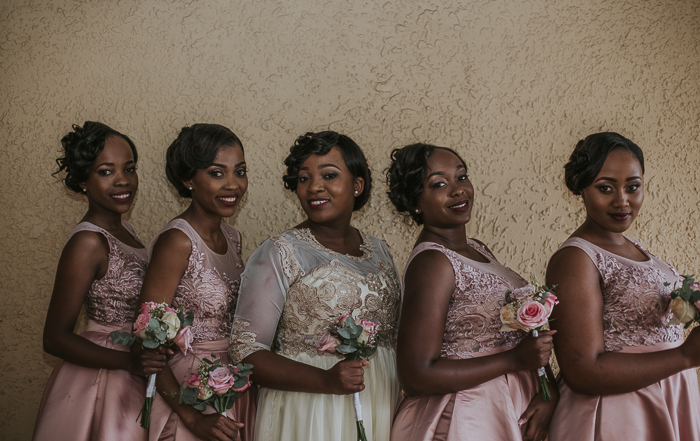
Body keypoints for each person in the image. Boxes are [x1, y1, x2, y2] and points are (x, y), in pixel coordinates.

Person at [229, 131, 401, 441]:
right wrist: (325, 380)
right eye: (304, 178)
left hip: (377, 401)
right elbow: (245, 352)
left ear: (357, 185)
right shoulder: (280, 252)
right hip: (308, 410)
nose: (314, 187)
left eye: (329, 175)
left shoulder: (380, 251)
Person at [387, 143, 557, 441]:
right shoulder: (432, 262)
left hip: (511, 403)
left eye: (461, 177)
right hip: (466, 417)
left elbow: (521, 338)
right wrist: (514, 361)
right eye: (439, 184)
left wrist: (549, 391)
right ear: (415, 201)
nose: (458, 190)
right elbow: (415, 375)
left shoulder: (478, 249)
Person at [546, 132, 700, 441]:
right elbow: (581, 371)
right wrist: (685, 356)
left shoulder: (637, 248)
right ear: (581, 189)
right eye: (605, 188)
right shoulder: (576, 258)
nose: (621, 201)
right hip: (617, 413)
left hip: (669, 394)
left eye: (633, 187)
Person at [33, 121, 167, 441]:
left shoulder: (127, 232)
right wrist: (130, 361)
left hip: (133, 367)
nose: (123, 180)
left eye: (129, 168)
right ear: (82, 181)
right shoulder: (88, 243)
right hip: (103, 378)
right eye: (106, 171)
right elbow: (54, 338)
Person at [138, 124, 255, 441]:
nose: (233, 184)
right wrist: (191, 417)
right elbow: (147, 342)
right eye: (218, 173)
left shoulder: (233, 238)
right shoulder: (177, 241)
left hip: (231, 382)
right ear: (188, 179)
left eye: (239, 171)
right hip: (188, 391)